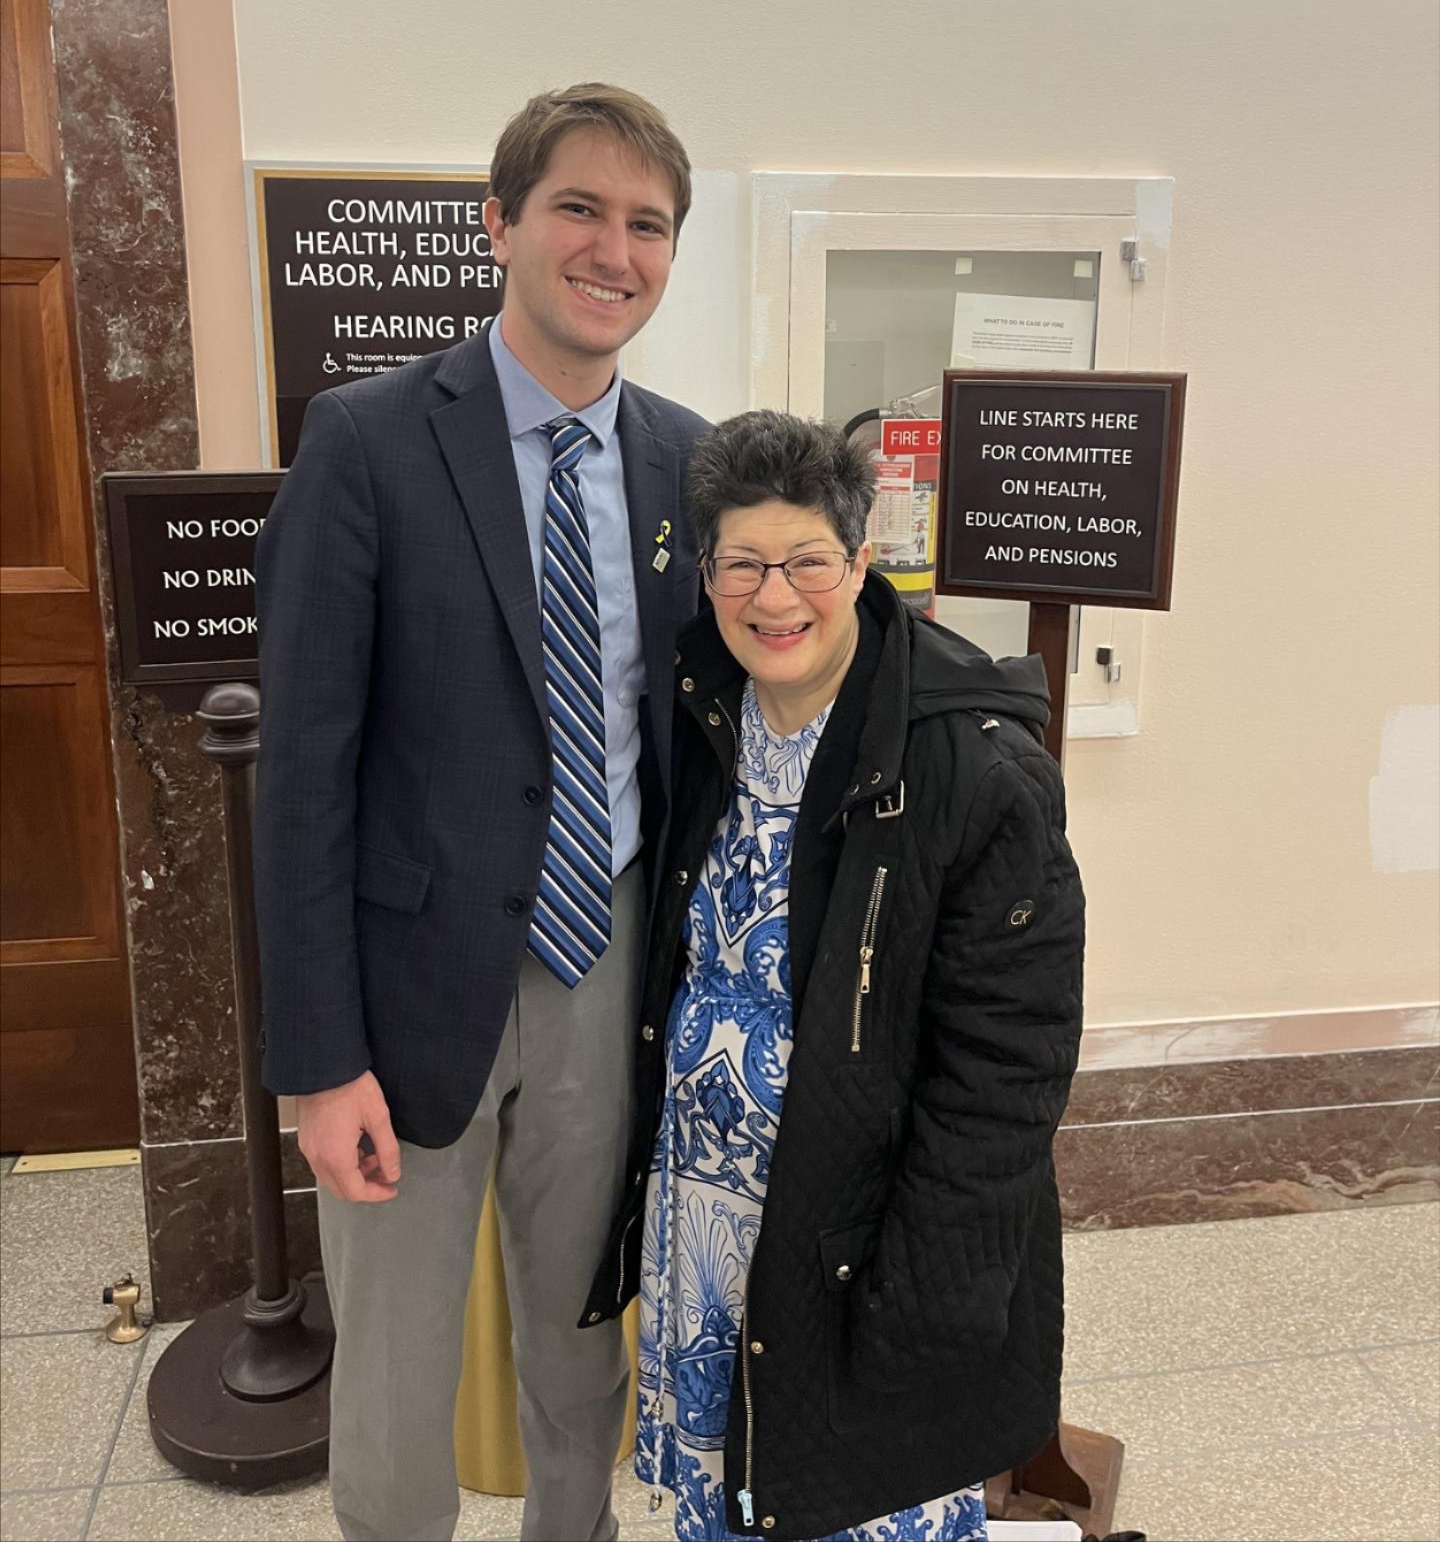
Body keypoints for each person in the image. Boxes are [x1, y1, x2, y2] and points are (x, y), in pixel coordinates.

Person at [254, 83, 709, 1542]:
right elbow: (305, 771)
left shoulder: (686, 462)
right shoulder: (371, 440)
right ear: (500, 223)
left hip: (612, 958)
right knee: (394, 1367)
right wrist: (320, 1064)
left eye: (647, 223)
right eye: (579, 206)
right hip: (410, 994)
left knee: (585, 1338)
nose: (613, 249)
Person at [584, 411, 1086, 1542]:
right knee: (720, 1505)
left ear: (862, 562)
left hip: (858, 1252)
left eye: (808, 560)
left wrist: (922, 1301)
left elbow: (1008, 1076)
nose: (776, 598)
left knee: (847, 1510)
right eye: (742, 563)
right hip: (704, 1232)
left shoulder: (973, 768)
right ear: (705, 570)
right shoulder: (704, 717)